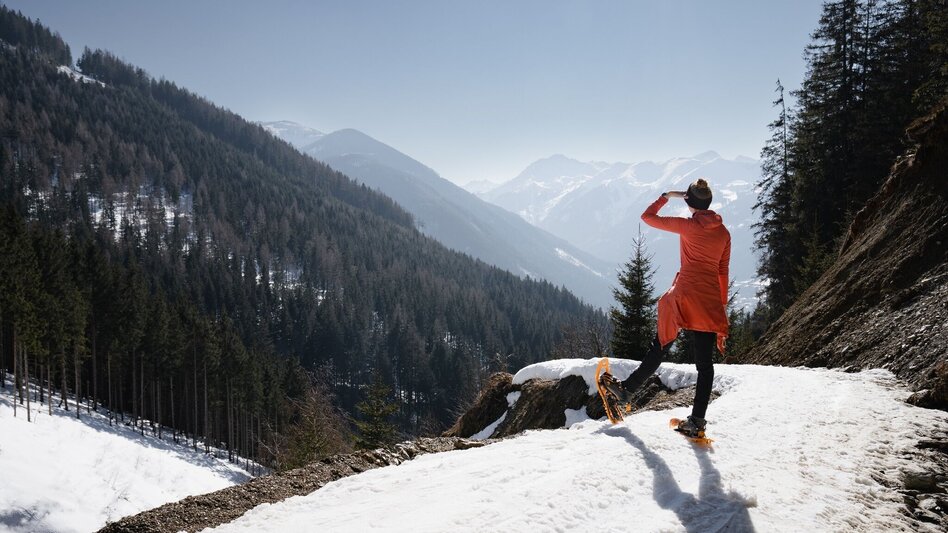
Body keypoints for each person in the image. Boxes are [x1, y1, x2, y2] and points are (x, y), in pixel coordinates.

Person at [600, 178, 730, 437]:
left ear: (690, 202)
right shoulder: (724, 232)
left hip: (683, 296)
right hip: (708, 301)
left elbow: (647, 217)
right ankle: (697, 422)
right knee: (705, 366)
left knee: (661, 344)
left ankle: (626, 390)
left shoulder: (688, 226)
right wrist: (721, 309)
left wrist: (666, 195)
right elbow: (722, 272)